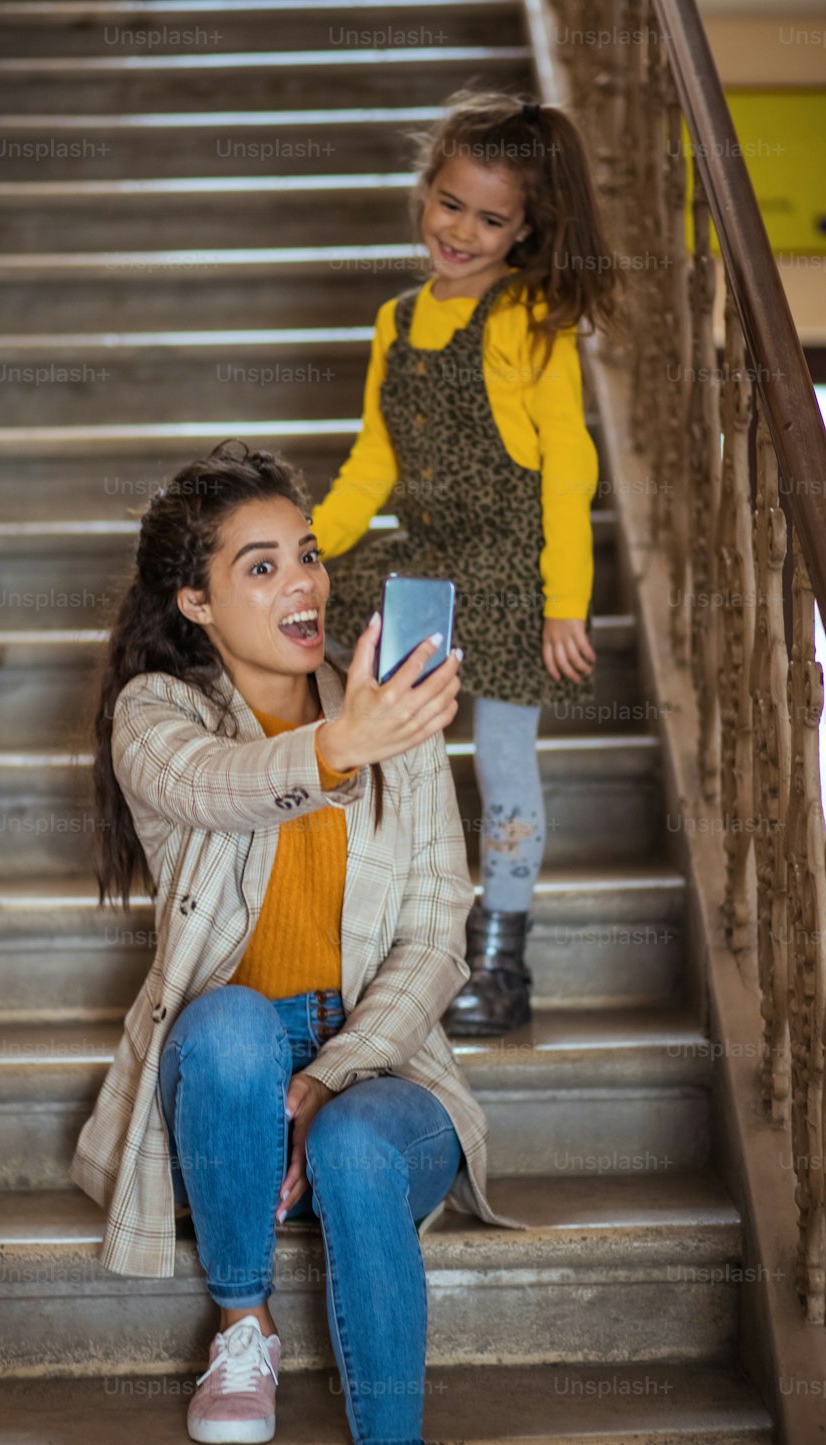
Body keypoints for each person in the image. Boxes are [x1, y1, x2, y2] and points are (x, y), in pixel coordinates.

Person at [70, 441, 525, 1445]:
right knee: (227, 1025)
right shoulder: (158, 714)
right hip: (226, 1080)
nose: (305, 583)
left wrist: (335, 1071)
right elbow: (223, 786)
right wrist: (343, 741)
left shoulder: (387, 714)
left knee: (363, 1145)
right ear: (194, 600)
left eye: (308, 555)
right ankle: (241, 1320)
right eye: (260, 566)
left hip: (379, 1058)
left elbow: (433, 933)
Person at [311, 91, 623, 1036]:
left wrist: (566, 604)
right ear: (427, 191)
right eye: (451, 204)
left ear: (527, 228)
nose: (463, 231)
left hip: (516, 573)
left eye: (492, 219)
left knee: (501, 761)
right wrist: (311, 553)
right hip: (428, 567)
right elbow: (375, 457)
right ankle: (405, 943)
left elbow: (569, 468)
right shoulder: (396, 321)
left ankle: (501, 957)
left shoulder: (530, 318)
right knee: (386, 738)